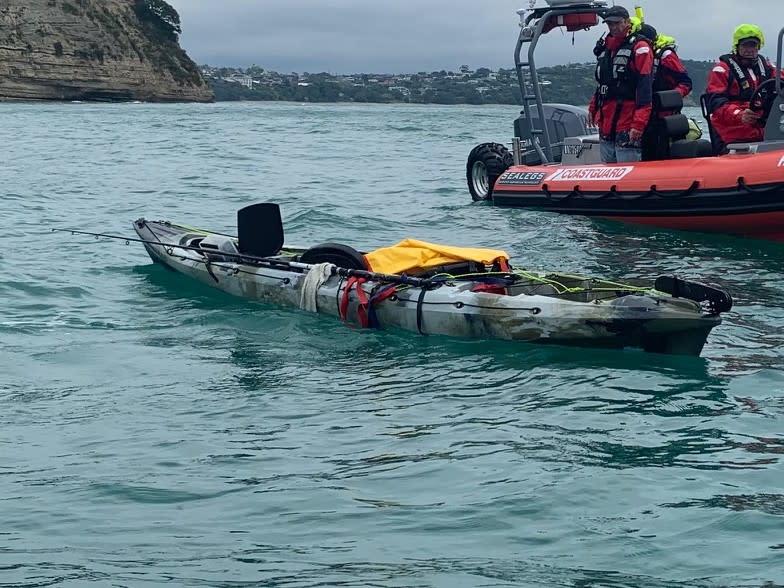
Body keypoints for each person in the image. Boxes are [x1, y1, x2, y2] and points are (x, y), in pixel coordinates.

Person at [589, 5, 654, 163]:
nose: (613, 27)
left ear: (626, 22)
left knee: (628, 171)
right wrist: (593, 107)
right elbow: (603, 83)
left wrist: (638, 123)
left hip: (628, 120)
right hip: (606, 121)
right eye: (610, 24)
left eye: (617, 23)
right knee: (607, 171)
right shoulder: (606, 49)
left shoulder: (640, 48)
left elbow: (644, 89)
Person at [704, 24, 777, 153]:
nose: (749, 50)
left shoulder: (767, 68)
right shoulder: (722, 70)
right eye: (745, 45)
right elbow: (716, 103)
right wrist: (739, 115)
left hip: (765, 132)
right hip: (733, 134)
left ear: (758, 47)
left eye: (753, 45)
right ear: (737, 46)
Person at [635, 23, 694, 159]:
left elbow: (685, 82)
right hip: (642, 116)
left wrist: (669, 99)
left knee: (660, 152)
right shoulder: (635, 56)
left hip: (662, 116)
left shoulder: (665, 56)